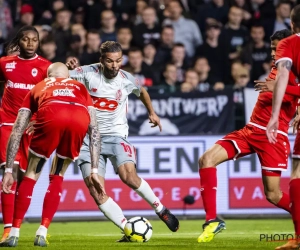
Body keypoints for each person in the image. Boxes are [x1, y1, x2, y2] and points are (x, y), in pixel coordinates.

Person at [66, 41, 179, 241]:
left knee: (129, 177)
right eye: (110, 61)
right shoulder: (85, 72)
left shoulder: (127, 79)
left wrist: (152, 113)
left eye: (119, 61)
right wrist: (66, 66)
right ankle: (127, 228)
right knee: (96, 190)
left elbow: (142, 91)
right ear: (101, 60)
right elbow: (57, 75)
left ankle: (161, 209)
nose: (115, 65)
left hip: (117, 134)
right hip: (87, 139)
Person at [197, 28, 297, 243]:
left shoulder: (294, 69)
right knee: (206, 159)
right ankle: (212, 220)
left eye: (277, 49)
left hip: (273, 136)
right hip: (250, 130)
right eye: (271, 49)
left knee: (273, 195)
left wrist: (280, 88)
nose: (273, 53)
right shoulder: (276, 67)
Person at [0, 63, 104, 247]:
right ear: (68, 77)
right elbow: (95, 130)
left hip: (51, 113)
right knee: (57, 175)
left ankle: (14, 233)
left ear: (48, 76)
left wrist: (8, 169)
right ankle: (43, 231)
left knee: (32, 173)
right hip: (78, 118)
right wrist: (94, 169)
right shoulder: (80, 87)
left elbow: (17, 130)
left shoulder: (39, 86)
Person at [0, 25, 51, 242]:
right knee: (7, 173)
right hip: (8, 124)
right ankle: (7, 229)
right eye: (26, 39)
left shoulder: (46, 67)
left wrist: (38, 120)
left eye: (34, 40)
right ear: (18, 42)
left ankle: (17, 224)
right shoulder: (4, 63)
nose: (30, 43)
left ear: (39, 43)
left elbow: (49, 98)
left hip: (31, 126)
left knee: (23, 179)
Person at [265, 5, 300, 250]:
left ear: (291, 23)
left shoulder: (289, 43)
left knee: (296, 174)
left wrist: (275, 116)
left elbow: (283, 77)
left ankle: (299, 238)